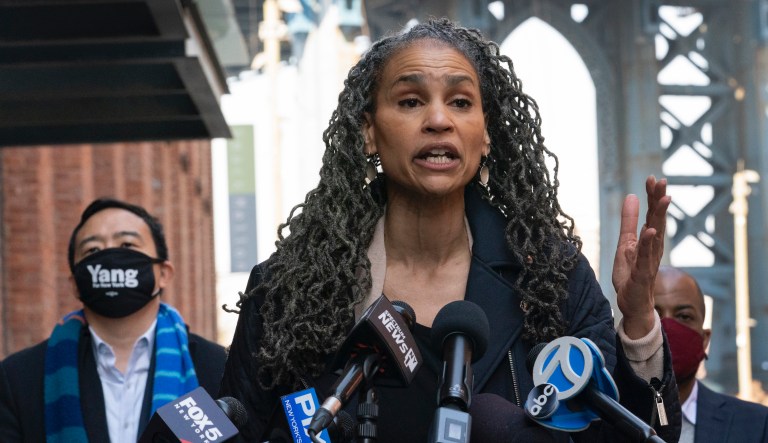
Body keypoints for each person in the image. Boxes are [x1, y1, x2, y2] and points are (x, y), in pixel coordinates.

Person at [219, 18, 681, 442]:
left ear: (485, 135)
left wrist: (639, 320)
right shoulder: (290, 287)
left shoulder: (553, 278)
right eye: (410, 101)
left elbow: (637, 436)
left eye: (460, 102)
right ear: (369, 132)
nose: (438, 120)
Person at [0, 198, 227, 443]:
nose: (109, 257)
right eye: (92, 250)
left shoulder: (218, 370)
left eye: (127, 244)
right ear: (75, 283)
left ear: (163, 273)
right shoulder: (19, 379)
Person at [654, 265, 768, 442]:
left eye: (684, 316)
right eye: (653, 315)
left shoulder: (757, 425)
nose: (666, 327)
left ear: (705, 339)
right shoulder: (601, 420)